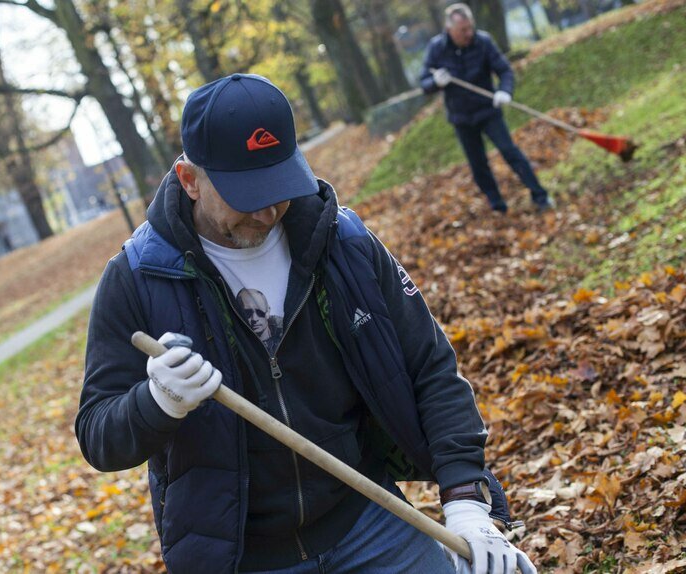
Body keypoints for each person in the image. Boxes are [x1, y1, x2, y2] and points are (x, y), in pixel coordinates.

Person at [76, 73, 537, 574]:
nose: (269, 210)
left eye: (278, 185)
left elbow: (429, 366)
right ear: (190, 179)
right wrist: (157, 402)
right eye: (246, 193)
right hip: (242, 555)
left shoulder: (342, 243)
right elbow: (98, 434)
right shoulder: (137, 277)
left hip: (366, 518)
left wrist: (467, 502)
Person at [421, 3, 553, 214]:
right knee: (478, 165)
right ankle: (498, 206)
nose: (468, 33)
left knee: (510, 152)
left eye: (470, 27)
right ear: (449, 30)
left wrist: (505, 91)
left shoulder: (482, 42)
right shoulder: (436, 48)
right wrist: (436, 82)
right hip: (461, 117)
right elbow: (424, 83)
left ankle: (540, 196)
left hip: (488, 110)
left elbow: (504, 70)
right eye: (463, 30)